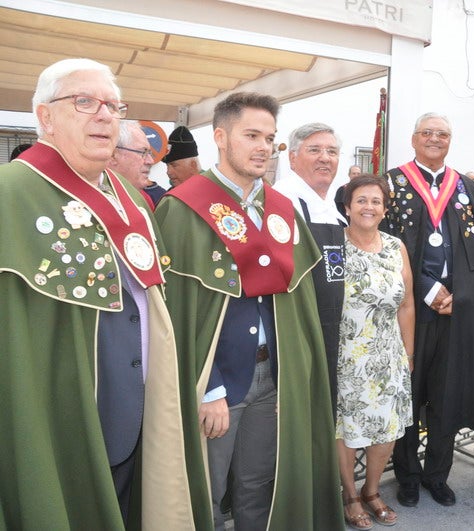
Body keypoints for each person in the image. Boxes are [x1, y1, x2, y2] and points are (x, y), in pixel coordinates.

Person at [0, 58, 199, 529]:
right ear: (45, 116)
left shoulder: (131, 199)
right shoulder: (10, 194)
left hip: (139, 414)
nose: (105, 115)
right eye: (85, 102)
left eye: (113, 105)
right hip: (60, 420)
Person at [155, 92, 342, 530]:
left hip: (272, 378)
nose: (263, 148)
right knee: (207, 490)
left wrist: (292, 376)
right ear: (221, 138)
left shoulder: (280, 208)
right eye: (252, 136)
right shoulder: (182, 207)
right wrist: (209, 389)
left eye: (270, 139)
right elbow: (173, 313)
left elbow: (295, 305)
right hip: (216, 380)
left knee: (259, 487)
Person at [384, 112, 474, 508]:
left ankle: (437, 474)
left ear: (450, 141)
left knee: (446, 397)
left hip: (456, 310)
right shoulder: (391, 185)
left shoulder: (469, 189)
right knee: (409, 394)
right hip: (409, 311)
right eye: (427, 132)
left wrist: (461, 295)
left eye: (443, 134)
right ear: (414, 138)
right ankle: (407, 475)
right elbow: (383, 249)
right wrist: (428, 289)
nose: (435, 139)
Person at [336, 174, 415, 529]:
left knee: (386, 427)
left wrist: (408, 354)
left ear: (385, 209)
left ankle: (371, 490)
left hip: (389, 355)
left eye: (376, 201)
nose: (369, 207)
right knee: (347, 427)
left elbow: (407, 304)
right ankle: (350, 494)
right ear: (348, 207)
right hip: (347, 355)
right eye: (361, 200)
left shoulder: (396, 247)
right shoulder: (334, 246)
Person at [273, 122, 348, 414]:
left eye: (332, 151)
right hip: (299, 331)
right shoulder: (282, 201)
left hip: (331, 329)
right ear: (292, 158)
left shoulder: (331, 207)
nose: (325, 158)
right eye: (314, 150)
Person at [109, 120, 158, 209]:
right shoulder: (95, 197)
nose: (150, 161)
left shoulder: (144, 199)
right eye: (143, 152)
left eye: (149, 153)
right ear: (113, 155)